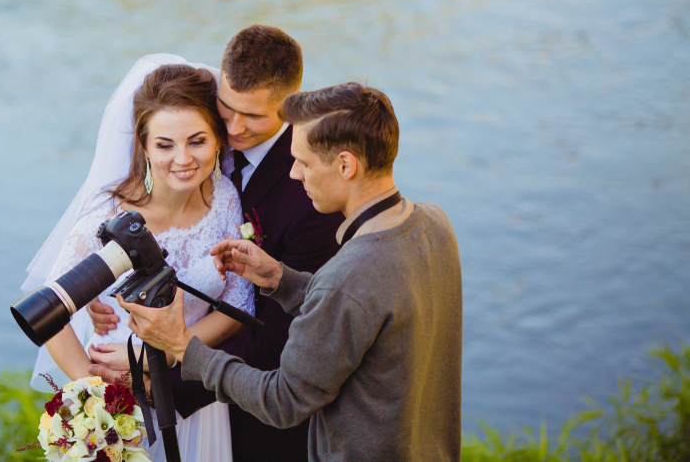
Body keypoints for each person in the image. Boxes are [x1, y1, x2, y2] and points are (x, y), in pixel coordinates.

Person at [117, 83, 464, 462]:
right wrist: (282, 278)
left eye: (304, 162)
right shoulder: (434, 222)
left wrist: (183, 346)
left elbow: (282, 401)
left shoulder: (346, 278)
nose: (295, 174)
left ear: (346, 165)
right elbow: (364, 307)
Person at [85, 26, 342, 462]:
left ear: (290, 106)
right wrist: (101, 289)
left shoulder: (311, 198)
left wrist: (156, 371)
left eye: (255, 117)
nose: (235, 128)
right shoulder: (199, 138)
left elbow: (278, 342)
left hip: (247, 413)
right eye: (226, 107)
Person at [23, 57, 254, 462]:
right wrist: (94, 388)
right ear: (144, 146)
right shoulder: (110, 216)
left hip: (195, 394)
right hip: (122, 402)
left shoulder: (225, 201)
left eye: (196, 141)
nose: (182, 159)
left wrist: (158, 356)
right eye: (164, 145)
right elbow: (48, 310)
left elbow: (238, 306)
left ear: (218, 140)